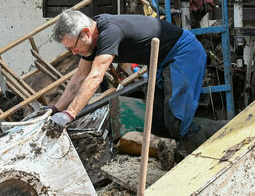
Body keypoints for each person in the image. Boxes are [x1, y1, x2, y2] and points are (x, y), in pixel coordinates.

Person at [47, 10, 208, 152]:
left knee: (177, 121)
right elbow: (80, 77)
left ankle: (208, 153)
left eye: (74, 47)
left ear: (86, 33)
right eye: (69, 49)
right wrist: (55, 110)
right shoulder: (90, 40)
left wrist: (70, 114)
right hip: (161, 60)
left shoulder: (110, 32)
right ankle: (186, 150)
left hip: (183, 52)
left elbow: (95, 76)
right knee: (158, 124)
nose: (74, 53)